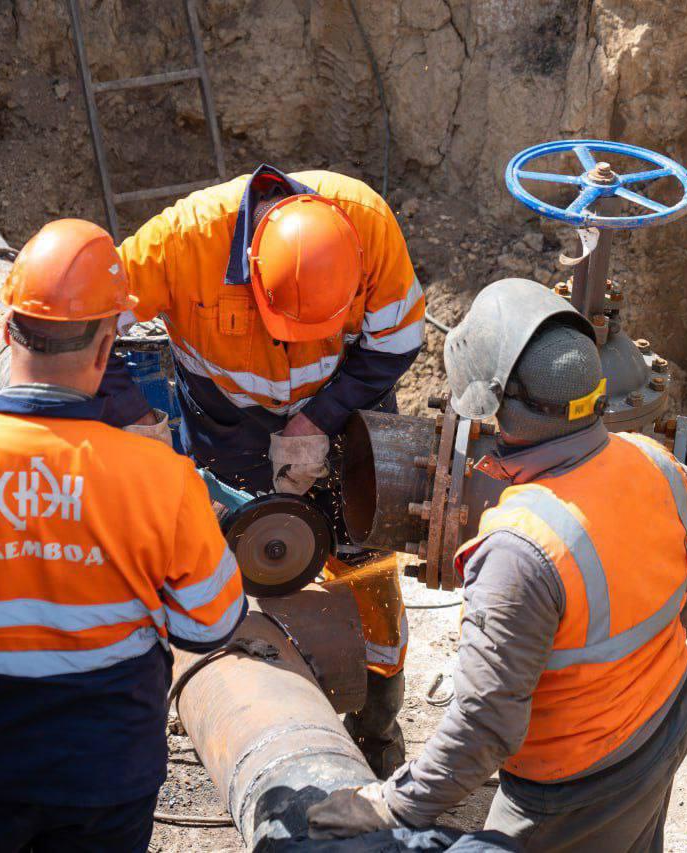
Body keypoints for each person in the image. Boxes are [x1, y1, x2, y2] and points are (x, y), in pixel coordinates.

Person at [0, 219, 247, 852]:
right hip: (108, 777)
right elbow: (211, 624)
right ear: (106, 348)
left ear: (6, 331)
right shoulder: (163, 479)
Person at [307, 278, 687, 852]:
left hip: (575, 781)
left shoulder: (521, 547)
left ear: (494, 408)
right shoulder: (656, 463)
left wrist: (389, 805)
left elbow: (484, 728)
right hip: (672, 716)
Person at [101, 164, 423, 775]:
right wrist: (136, 419)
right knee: (226, 553)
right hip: (229, 423)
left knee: (367, 566)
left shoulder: (370, 227)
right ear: (250, 269)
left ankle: (377, 725)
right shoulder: (181, 241)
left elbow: (396, 342)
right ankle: (243, 689)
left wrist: (320, 417)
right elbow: (80, 324)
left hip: (348, 407)